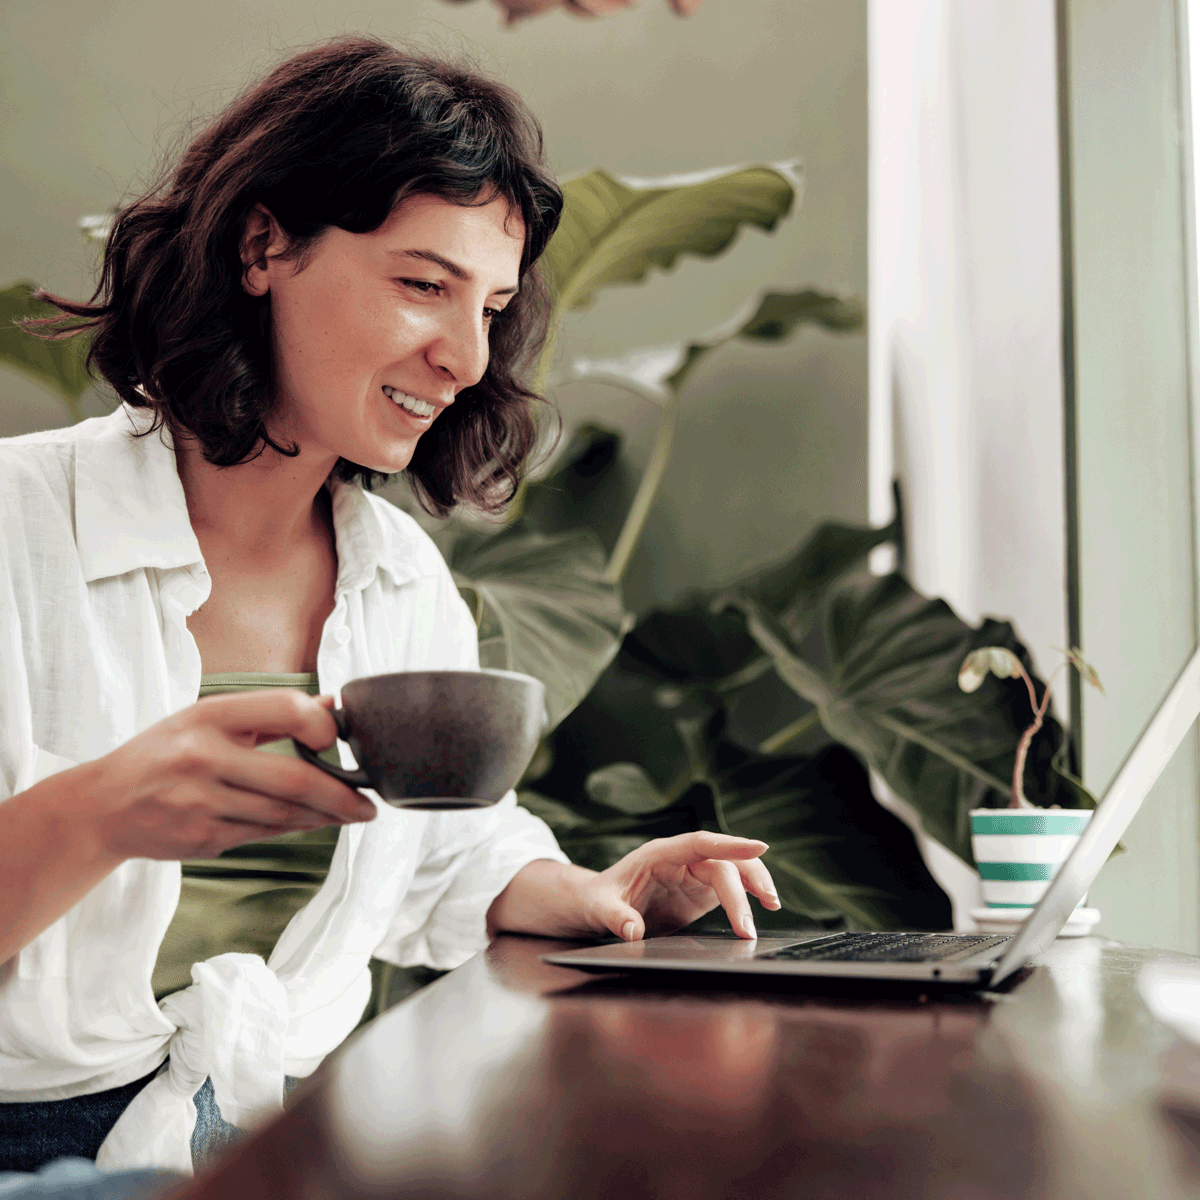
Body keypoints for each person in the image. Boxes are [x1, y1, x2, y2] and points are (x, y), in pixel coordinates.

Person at [0, 34, 780, 1178]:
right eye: (424, 284)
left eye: (493, 306)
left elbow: (446, 865)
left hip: (268, 1131)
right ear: (264, 244)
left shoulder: (401, 580)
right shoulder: (19, 526)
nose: (466, 355)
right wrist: (101, 812)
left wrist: (592, 891)